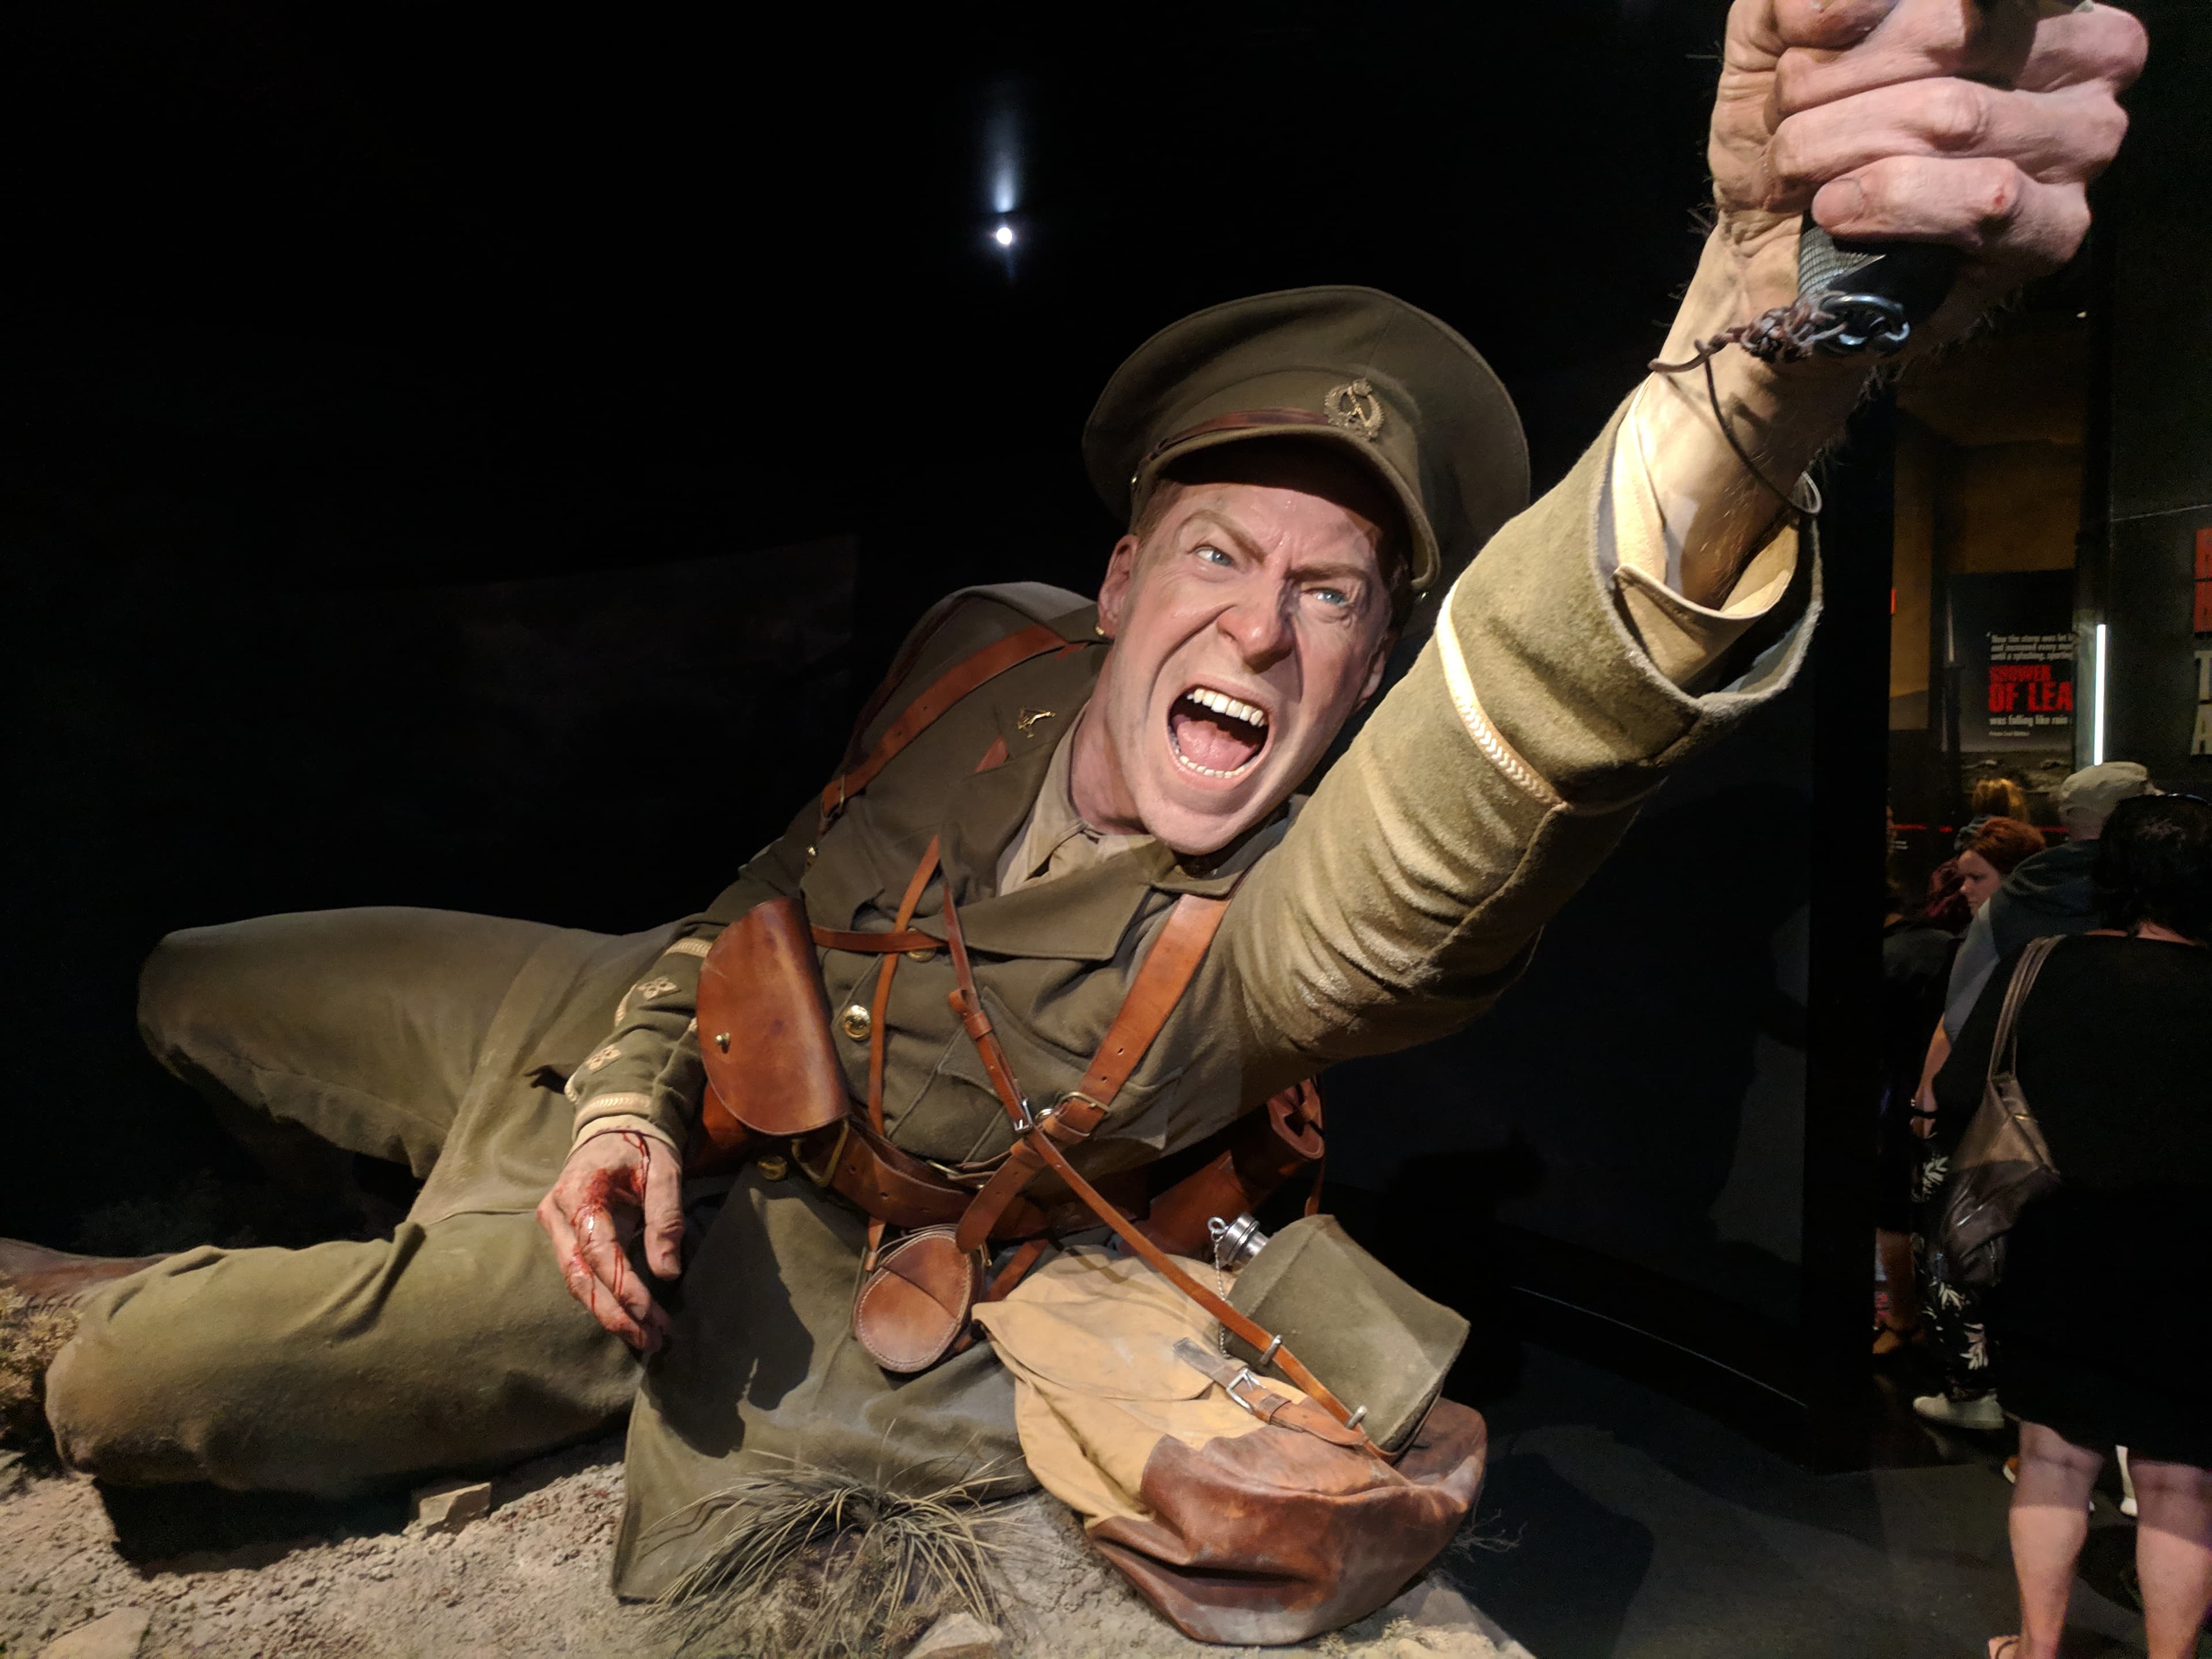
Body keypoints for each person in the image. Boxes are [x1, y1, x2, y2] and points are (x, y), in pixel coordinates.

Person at [18, 0, 2145, 1613]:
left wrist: (1767, 353)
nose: (1266, 623)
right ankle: (454, 1163)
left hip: (762, 1237)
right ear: (1121, 586)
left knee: (142, 1391)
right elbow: (773, 879)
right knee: (193, 978)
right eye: (1220, 554)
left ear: (1365, 672)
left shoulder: (1275, 949)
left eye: (1336, 596)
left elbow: (1516, 735)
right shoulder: (988, 655)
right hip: (640, 1022)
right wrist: (607, 1100)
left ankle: (243, 1275)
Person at [1936, 796, 2212, 1659]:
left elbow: (1953, 1100)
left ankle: (2035, 1648)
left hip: (2056, 1248)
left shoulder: (2040, 966)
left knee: (2053, 1462)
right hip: (2197, 1261)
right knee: (2182, 1482)